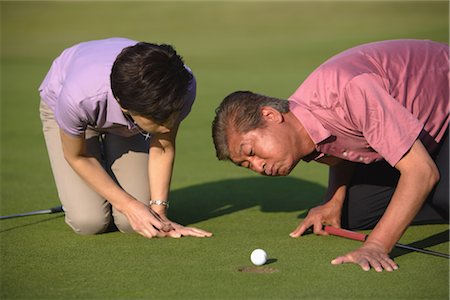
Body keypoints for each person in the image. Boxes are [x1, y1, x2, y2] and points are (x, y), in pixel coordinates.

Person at [212, 39, 448, 272]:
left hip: (445, 115)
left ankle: (434, 192)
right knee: (352, 215)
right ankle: (426, 192)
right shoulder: (302, 127)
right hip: (416, 134)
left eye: (251, 152)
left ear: (271, 115)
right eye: (247, 165)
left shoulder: (350, 90)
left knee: (434, 186)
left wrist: (376, 245)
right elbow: (341, 146)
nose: (258, 167)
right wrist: (332, 200)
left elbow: (422, 171)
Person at [39, 37, 212, 239]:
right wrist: (128, 204)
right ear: (123, 105)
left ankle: (109, 173)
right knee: (89, 222)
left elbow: (163, 147)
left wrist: (159, 213)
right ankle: (101, 167)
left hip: (130, 121)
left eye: (169, 115)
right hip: (74, 110)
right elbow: (78, 156)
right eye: (158, 119)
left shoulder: (180, 87)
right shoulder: (77, 98)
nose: (168, 126)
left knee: (134, 223)